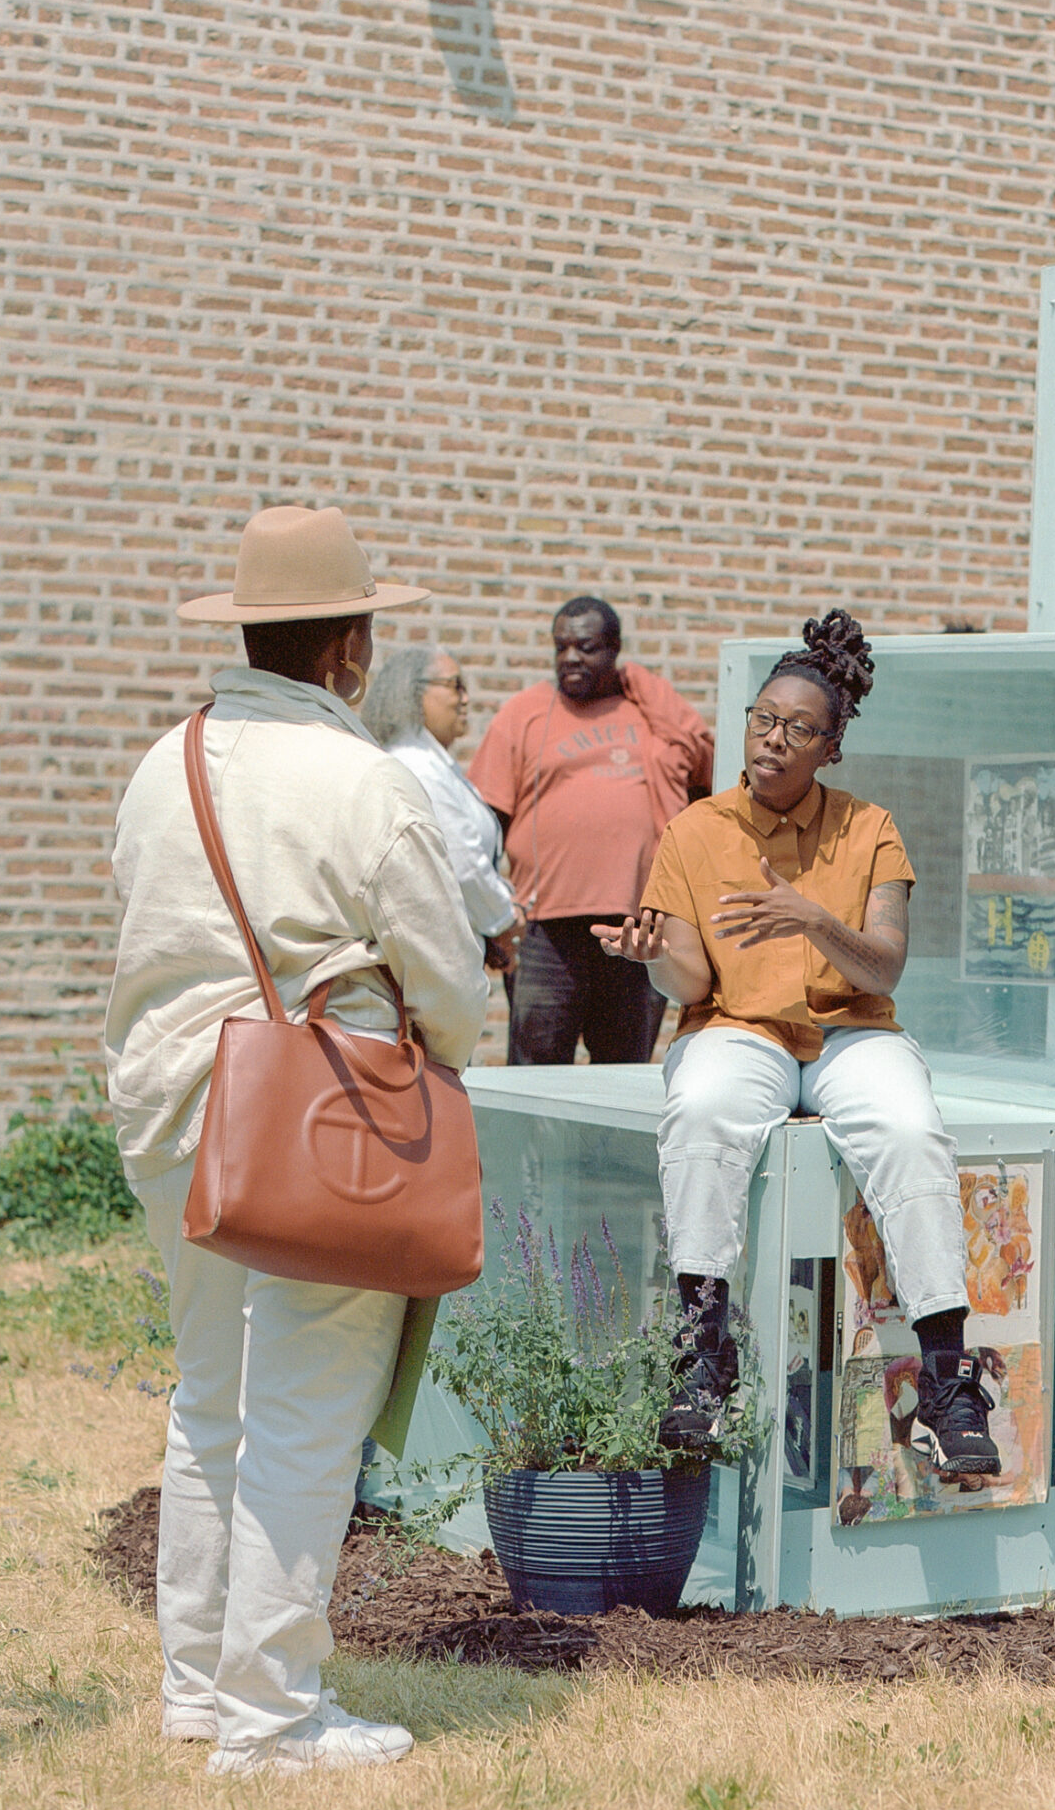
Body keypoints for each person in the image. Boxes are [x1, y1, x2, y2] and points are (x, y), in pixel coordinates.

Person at [103, 506, 490, 1775]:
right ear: (348, 647)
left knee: (208, 1399)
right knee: (310, 1413)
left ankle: (198, 1690)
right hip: (324, 1117)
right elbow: (448, 989)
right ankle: (270, 1717)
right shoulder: (364, 778)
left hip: (172, 1110)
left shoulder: (166, 758)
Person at [595, 610, 999, 1476]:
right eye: (762, 720)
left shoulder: (870, 829)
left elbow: (884, 969)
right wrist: (653, 955)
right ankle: (703, 1360)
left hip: (850, 1031)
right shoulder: (696, 831)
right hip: (739, 1027)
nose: (773, 740)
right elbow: (692, 985)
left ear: (831, 749)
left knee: (907, 1130)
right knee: (700, 1106)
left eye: (797, 729)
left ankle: (946, 1380)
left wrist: (812, 918)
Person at [468, 597, 713, 1064]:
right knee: (534, 1082)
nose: (570, 658)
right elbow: (483, 827)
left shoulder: (654, 714)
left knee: (620, 1079)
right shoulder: (524, 714)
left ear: (615, 649)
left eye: (585, 646)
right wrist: (488, 917)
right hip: (544, 933)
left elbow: (703, 785)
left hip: (638, 931)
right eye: (561, 647)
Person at [361, 641, 524, 973]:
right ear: (414, 692)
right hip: (431, 962)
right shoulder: (419, 769)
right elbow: (463, 866)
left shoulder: (431, 763)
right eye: (455, 685)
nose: (465, 698)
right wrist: (505, 920)